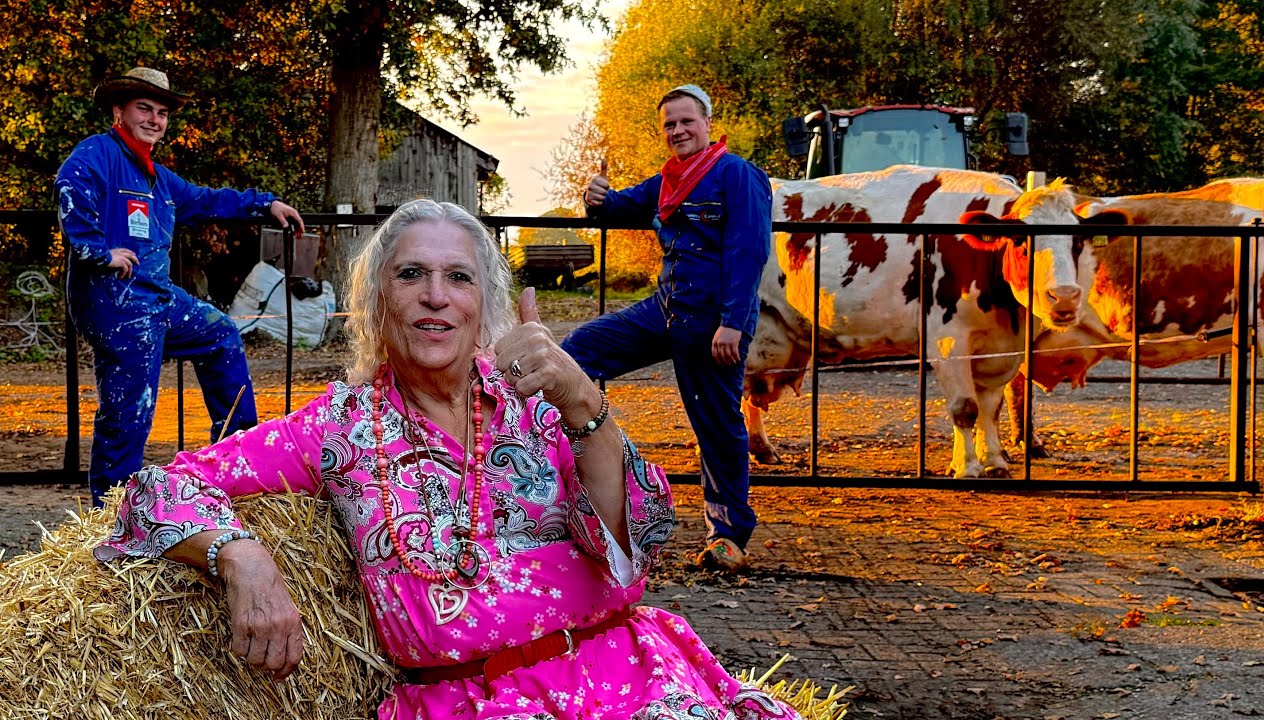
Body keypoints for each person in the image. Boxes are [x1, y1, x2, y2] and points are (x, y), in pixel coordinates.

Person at [93, 199, 801, 720]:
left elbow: (632, 542)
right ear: (377, 300)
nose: (436, 297)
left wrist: (582, 397)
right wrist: (240, 556)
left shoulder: (539, 400)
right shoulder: (336, 427)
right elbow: (160, 485)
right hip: (468, 704)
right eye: (411, 275)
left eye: (458, 278)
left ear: (484, 302)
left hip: (629, 675)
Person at [54, 66, 305, 507]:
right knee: (130, 412)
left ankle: (234, 461)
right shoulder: (97, 154)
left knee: (220, 334)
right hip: (118, 307)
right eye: (144, 109)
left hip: (158, 300)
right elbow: (69, 190)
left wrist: (264, 203)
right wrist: (99, 252)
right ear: (120, 111)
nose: (154, 119)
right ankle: (112, 512)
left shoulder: (158, 177)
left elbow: (209, 199)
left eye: (162, 113)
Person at [570, 84, 772, 573]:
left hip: (712, 324)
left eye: (687, 121)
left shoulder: (736, 175)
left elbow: (749, 254)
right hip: (666, 308)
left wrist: (732, 325)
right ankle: (574, 481)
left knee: (717, 426)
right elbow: (619, 208)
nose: (678, 131)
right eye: (669, 125)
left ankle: (728, 537)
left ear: (707, 124)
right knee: (575, 354)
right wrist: (596, 198)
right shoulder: (668, 181)